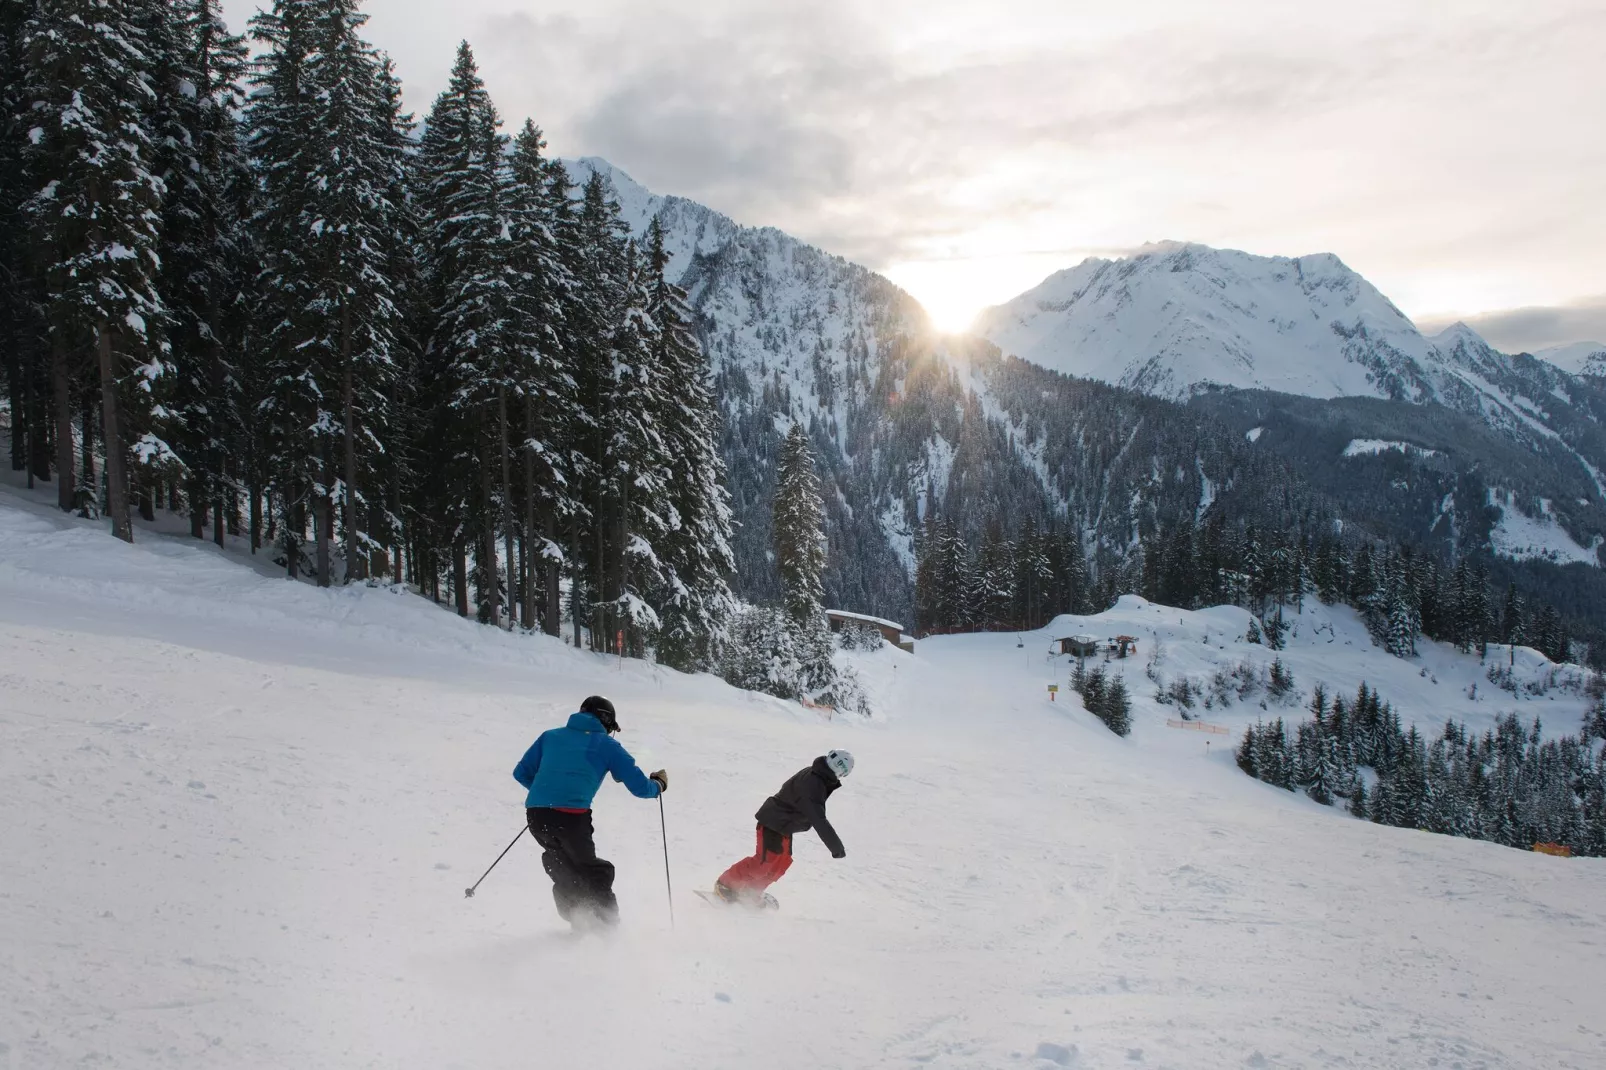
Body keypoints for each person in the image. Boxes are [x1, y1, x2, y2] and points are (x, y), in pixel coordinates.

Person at [513, 695, 667, 928]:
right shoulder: (607, 745)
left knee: (562, 863)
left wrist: (548, 795)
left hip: (536, 815)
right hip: (571, 818)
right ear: (606, 721)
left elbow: (521, 773)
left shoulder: (550, 736)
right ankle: (609, 928)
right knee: (593, 871)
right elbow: (639, 787)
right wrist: (658, 785)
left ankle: (579, 919)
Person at [714, 750, 853, 906]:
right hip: (773, 821)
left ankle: (750, 892)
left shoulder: (819, 775)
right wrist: (836, 846)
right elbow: (818, 819)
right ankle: (725, 884)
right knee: (763, 863)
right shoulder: (814, 783)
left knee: (780, 865)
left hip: (785, 826)